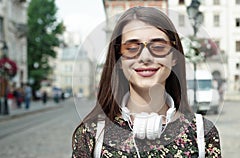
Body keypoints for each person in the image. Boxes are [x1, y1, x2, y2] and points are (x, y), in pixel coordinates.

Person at [72, 7, 221, 158]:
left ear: (174, 57)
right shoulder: (92, 134)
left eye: (158, 47)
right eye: (131, 48)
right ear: (119, 61)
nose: (145, 57)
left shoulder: (202, 134)